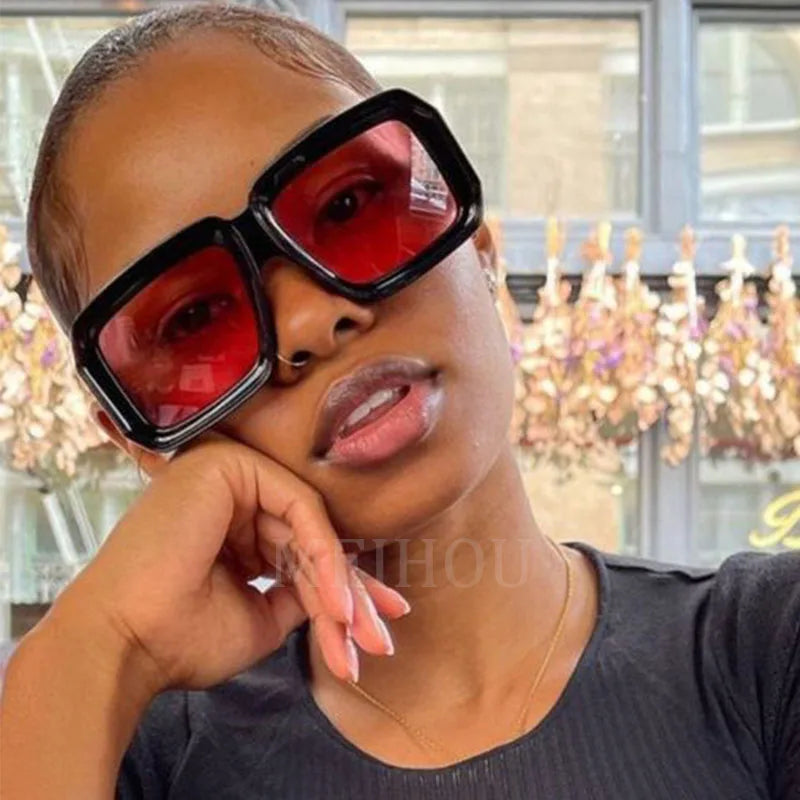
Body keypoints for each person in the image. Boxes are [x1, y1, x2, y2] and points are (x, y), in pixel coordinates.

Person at [1, 4, 799, 799]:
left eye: (348, 206)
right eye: (194, 317)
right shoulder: (121, 760)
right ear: (143, 441)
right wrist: (94, 648)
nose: (311, 320)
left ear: (476, 243)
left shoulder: (767, 650)